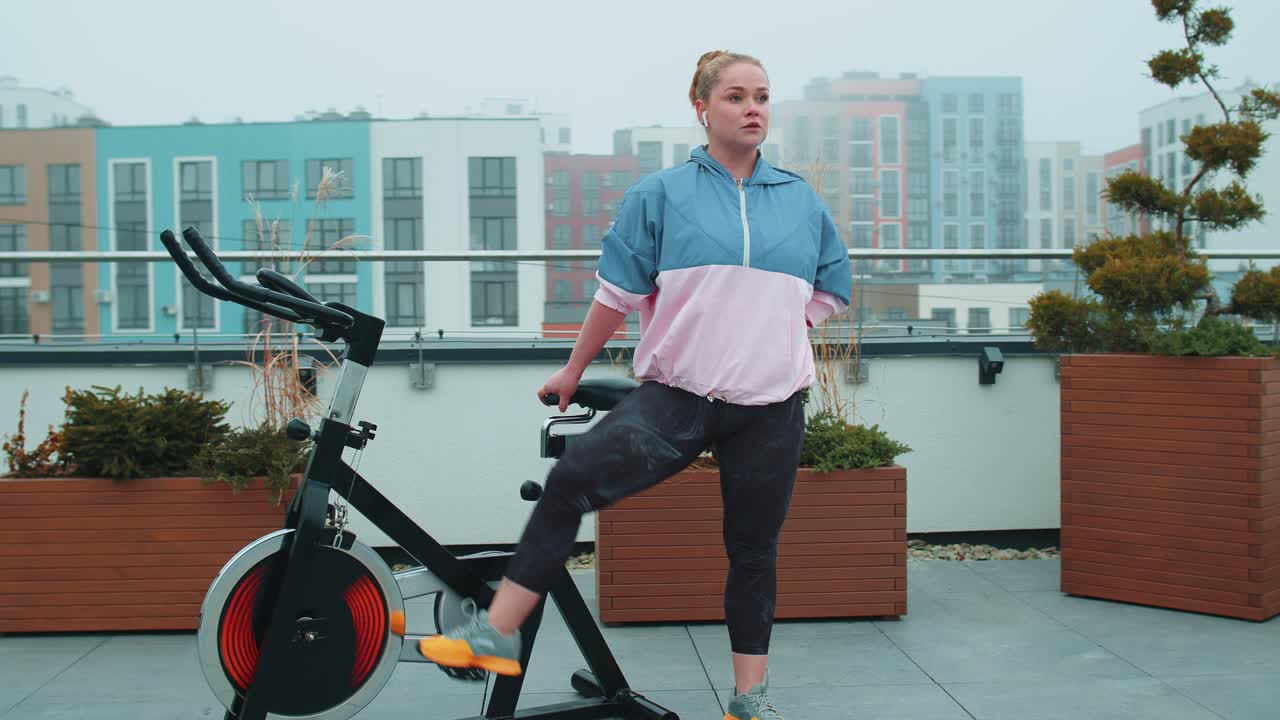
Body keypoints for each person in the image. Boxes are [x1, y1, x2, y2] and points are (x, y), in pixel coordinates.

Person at [420, 50, 852, 720]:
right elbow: (615, 295)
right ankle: (496, 631)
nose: (753, 109)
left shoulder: (798, 199)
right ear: (702, 108)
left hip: (770, 408)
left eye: (762, 96)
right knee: (570, 482)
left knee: (754, 552)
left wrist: (769, 332)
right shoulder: (661, 194)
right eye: (736, 97)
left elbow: (831, 286)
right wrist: (572, 369)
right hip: (677, 400)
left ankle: (750, 699)